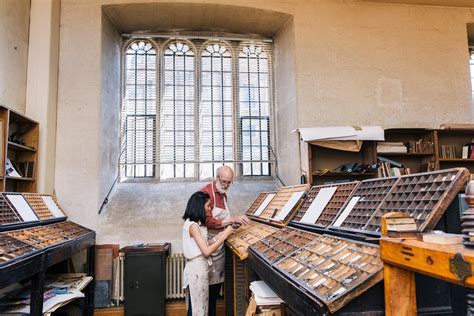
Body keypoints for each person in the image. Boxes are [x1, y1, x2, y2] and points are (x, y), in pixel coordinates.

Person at [201, 165, 250, 316]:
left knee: (214, 293)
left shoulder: (223, 195)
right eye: (224, 182)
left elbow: (223, 220)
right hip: (207, 247)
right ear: (216, 178)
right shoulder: (205, 193)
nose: (226, 185)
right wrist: (231, 220)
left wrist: (232, 223)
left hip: (219, 247)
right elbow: (207, 221)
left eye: (229, 182)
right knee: (204, 296)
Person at [182, 191, 234, 316]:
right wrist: (225, 234)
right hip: (196, 270)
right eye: (208, 206)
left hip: (199, 269)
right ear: (200, 206)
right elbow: (206, 251)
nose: (210, 209)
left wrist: (218, 237)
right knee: (197, 309)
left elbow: (204, 244)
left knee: (201, 307)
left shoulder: (196, 224)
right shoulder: (193, 226)